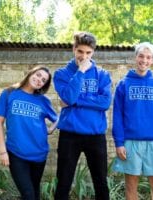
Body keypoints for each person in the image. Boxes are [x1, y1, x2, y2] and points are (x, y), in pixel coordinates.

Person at [112, 42, 153, 200]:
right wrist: (119, 142)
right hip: (130, 142)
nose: (144, 60)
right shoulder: (123, 84)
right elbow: (117, 115)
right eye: (141, 56)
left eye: (148, 57)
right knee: (131, 186)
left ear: (152, 61)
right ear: (135, 57)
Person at [53, 32, 111, 200]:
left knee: (100, 181)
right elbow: (69, 97)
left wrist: (76, 102)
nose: (84, 57)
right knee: (64, 181)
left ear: (93, 52)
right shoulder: (62, 73)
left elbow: (105, 103)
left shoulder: (102, 74)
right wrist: (80, 72)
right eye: (80, 52)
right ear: (74, 49)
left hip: (95, 135)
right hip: (69, 136)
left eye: (88, 53)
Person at [0, 65, 58, 200]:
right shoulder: (9, 93)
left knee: (34, 191)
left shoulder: (43, 100)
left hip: (39, 153)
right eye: (38, 75)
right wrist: (2, 151)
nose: (39, 80)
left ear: (43, 85)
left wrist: (51, 129)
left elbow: (57, 119)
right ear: (31, 73)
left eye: (43, 80)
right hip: (16, 153)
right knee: (28, 194)